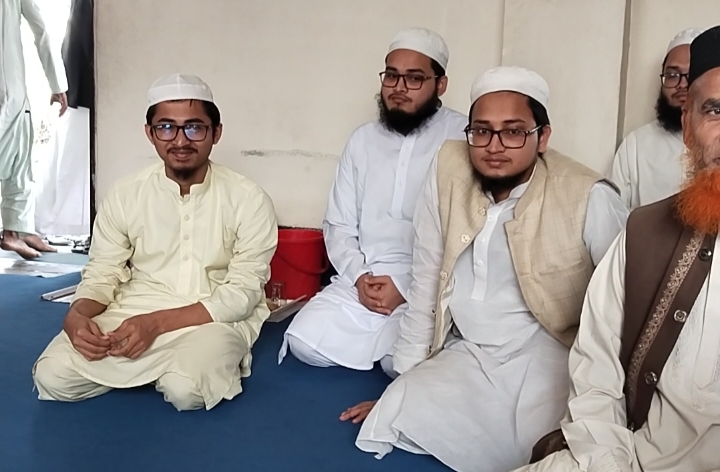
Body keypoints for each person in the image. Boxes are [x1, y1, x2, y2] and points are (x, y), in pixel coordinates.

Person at [342, 66, 629, 472]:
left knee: (542, 446)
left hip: (549, 353)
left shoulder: (586, 194)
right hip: (469, 350)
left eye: (513, 132)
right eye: (481, 131)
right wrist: (403, 382)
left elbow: (626, 298)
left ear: (543, 137)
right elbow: (427, 275)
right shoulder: (449, 170)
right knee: (399, 406)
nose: (494, 146)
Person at [512, 24, 720, 472]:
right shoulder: (643, 232)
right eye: (715, 110)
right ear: (688, 126)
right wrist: (609, 462)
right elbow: (596, 373)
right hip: (632, 455)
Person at [32, 74, 278, 411]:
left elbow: (243, 293)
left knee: (187, 389)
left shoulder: (248, 199)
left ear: (216, 133)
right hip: (136, 309)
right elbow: (102, 273)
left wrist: (155, 325)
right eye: (166, 128)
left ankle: (162, 368)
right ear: (150, 133)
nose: (180, 140)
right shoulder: (125, 194)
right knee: (52, 375)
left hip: (212, 317)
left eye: (194, 128)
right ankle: (155, 369)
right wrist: (75, 317)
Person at [278, 27, 467, 375]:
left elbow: (465, 232)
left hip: (428, 284)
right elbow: (338, 224)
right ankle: (385, 345)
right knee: (305, 340)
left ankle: (393, 350)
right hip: (364, 278)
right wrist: (359, 278)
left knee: (402, 363)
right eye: (391, 76)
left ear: (440, 85)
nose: (398, 87)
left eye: (414, 78)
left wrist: (405, 286)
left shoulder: (462, 139)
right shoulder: (362, 140)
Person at [0, 0, 68, 258]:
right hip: (8, 87)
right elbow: (42, 31)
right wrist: (57, 83)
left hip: (10, 87)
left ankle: (19, 229)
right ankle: (14, 232)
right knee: (16, 155)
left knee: (18, 155)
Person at [609, 27, 702, 209]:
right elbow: (613, 212)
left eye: (691, 75)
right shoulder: (636, 145)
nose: (682, 84)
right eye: (672, 75)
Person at [36, 0, 93, 237]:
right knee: (72, 159)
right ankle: (69, 224)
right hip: (81, 84)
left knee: (71, 158)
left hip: (80, 81)